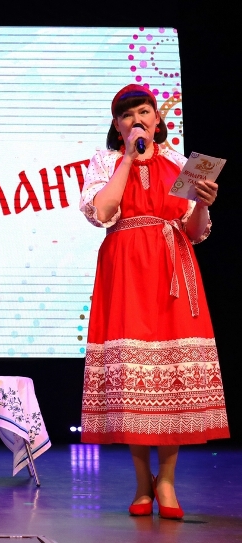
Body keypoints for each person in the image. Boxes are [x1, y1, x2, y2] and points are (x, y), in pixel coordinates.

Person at [79, 84, 229, 520]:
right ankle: (142, 483)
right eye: (127, 115)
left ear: (158, 120)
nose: (137, 120)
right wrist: (128, 158)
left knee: (171, 376)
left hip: (171, 270)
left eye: (144, 112)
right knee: (134, 376)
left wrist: (203, 204)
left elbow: (195, 231)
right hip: (125, 271)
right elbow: (102, 212)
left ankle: (166, 483)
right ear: (117, 126)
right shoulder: (105, 161)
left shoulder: (180, 164)